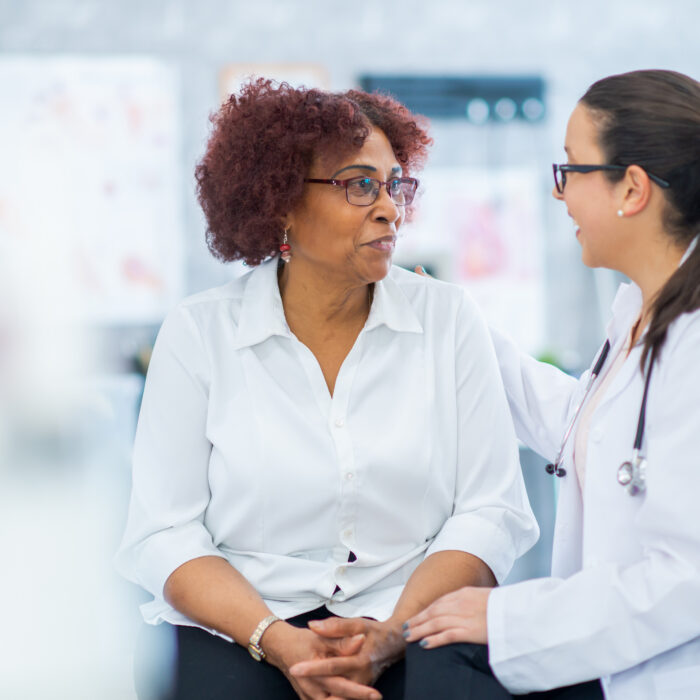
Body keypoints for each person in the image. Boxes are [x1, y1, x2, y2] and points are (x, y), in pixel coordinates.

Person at [115, 79, 539, 700]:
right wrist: (275, 637)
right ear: (279, 203)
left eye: (396, 184)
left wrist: (393, 632)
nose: (390, 207)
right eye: (360, 184)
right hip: (244, 620)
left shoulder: (448, 319)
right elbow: (164, 531)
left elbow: (490, 509)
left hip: (411, 614)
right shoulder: (200, 332)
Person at [386, 70, 700, 699]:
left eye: (571, 169)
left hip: (664, 671)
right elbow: (578, 426)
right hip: (614, 651)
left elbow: (686, 579)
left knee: (441, 652)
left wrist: (513, 619)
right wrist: (456, 320)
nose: (560, 194)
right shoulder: (642, 313)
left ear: (632, 188)